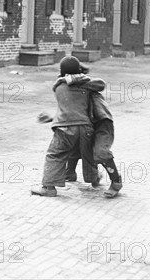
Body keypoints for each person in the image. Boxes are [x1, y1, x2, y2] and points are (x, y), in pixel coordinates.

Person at [31, 55, 105, 197]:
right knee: (87, 153)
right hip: (85, 127)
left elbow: (68, 111)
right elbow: (101, 84)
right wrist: (82, 77)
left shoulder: (59, 86)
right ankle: (93, 179)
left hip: (65, 127)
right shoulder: (85, 84)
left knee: (55, 154)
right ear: (78, 71)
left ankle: (49, 188)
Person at [56, 72, 123, 198]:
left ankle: (116, 181)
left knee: (100, 152)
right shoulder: (68, 92)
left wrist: (78, 81)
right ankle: (71, 173)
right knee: (73, 141)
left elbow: (100, 84)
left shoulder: (85, 85)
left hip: (102, 123)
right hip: (87, 125)